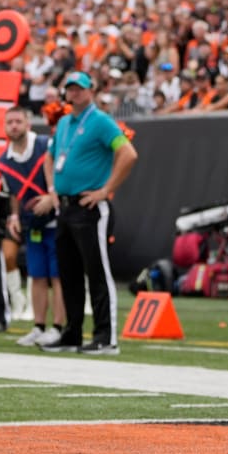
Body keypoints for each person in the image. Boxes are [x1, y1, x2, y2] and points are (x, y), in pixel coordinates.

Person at [35, 72, 138, 355]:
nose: (74, 93)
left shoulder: (101, 121)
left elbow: (128, 153)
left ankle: (106, 337)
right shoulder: (65, 122)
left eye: (79, 89)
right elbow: (50, 156)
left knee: (97, 273)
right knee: (69, 275)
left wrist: (105, 190)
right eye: (70, 89)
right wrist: (53, 189)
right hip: (66, 207)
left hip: (89, 206)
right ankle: (73, 333)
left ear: (90, 91)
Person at [0, 106, 65, 347]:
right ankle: (38, 326)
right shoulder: (4, 160)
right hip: (31, 223)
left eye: (18, 121)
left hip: (58, 218)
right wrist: (14, 216)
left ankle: (58, 326)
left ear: (28, 123)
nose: (14, 126)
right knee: (36, 275)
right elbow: (13, 192)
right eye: (9, 122)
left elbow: (63, 171)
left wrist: (52, 197)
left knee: (57, 276)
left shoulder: (46, 144)